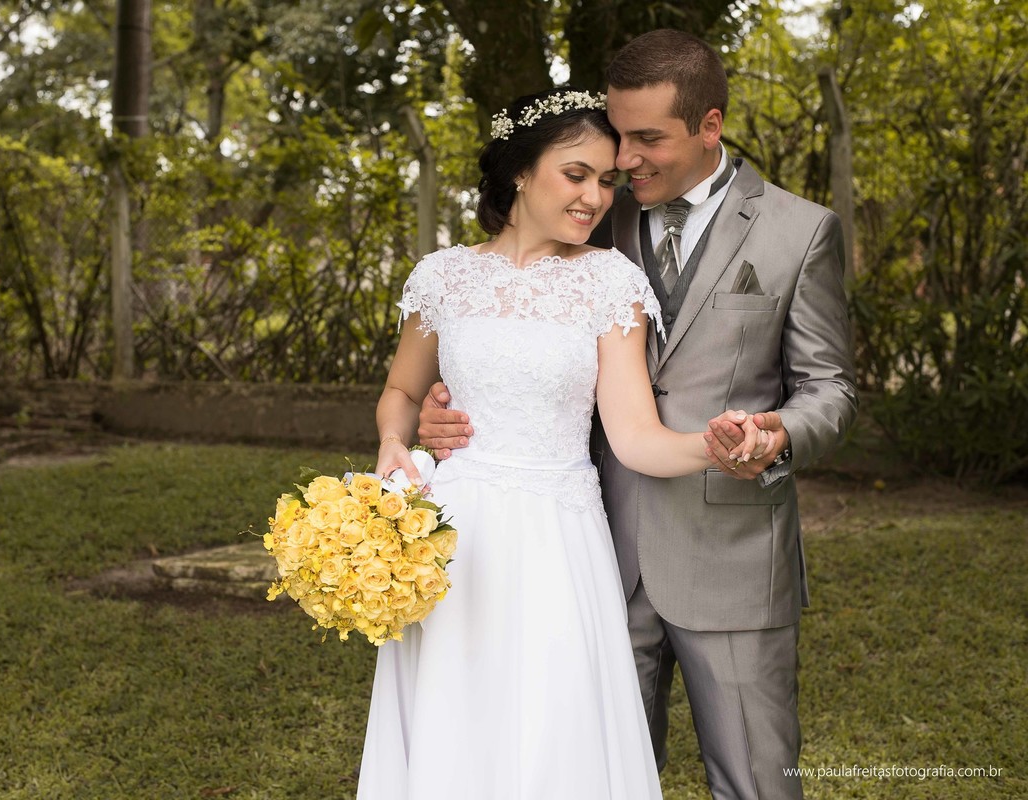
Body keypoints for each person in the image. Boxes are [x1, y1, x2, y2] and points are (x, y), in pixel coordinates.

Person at [417, 30, 859, 800]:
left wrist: (777, 433)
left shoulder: (800, 231)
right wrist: (441, 405)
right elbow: (509, 331)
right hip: (588, 558)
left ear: (709, 126)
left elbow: (831, 388)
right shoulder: (590, 215)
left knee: (755, 781)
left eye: (648, 138)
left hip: (731, 552)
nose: (624, 161)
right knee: (589, 775)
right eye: (619, 136)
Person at [357, 87, 768, 800]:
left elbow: (636, 438)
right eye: (576, 175)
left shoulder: (610, 284)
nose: (595, 198)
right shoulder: (443, 278)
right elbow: (400, 392)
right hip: (450, 534)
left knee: (555, 724)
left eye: (607, 181)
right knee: (454, 719)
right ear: (520, 171)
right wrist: (395, 441)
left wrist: (715, 448)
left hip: (556, 536)